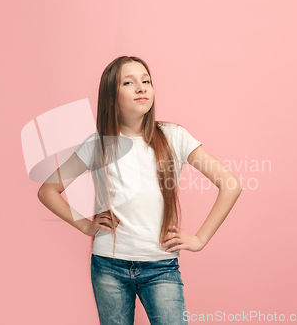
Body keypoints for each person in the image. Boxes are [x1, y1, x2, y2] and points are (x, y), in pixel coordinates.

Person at [37, 56, 243, 325]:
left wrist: (200, 239)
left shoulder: (174, 136)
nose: (141, 87)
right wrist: (86, 226)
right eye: (129, 82)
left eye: (146, 81)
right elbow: (47, 191)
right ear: (111, 97)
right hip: (108, 266)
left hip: (161, 266)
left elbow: (231, 184)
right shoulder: (98, 144)